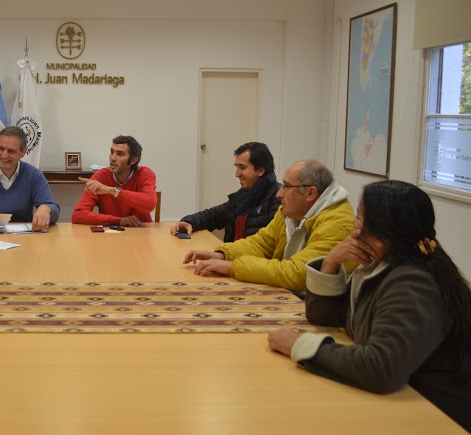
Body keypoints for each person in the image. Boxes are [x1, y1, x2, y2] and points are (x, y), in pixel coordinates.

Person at [267, 181, 471, 431]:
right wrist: (331, 262)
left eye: (360, 218)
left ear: (384, 231)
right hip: (401, 403)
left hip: (432, 414)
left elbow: (382, 368)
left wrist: (299, 345)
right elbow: (325, 315)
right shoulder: (383, 265)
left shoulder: (413, 282)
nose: (354, 227)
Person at [183, 160, 356, 292]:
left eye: (286, 187)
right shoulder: (291, 212)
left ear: (311, 193)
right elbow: (261, 243)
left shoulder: (336, 224)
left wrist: (234, 267)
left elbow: (297, 274)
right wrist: (222, 255)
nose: (279, 194)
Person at [170, 142, 280, 240]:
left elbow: (269, 246)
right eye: (236, 167)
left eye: (242, 168)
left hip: (248, 262)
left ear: (260, 170)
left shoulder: (278, 198)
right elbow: (213, 215)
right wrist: (189, 222)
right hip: (231, 257)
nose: (237, 174)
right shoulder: (242, 196)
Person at [71, 135, 157, 227]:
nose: (112, 158)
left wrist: (112, 191)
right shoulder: (100, 176)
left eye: (119, 154)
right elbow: (78, 215)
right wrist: (118, 221)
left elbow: (150, 204)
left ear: (133, 160)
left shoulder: (145, 174)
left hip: (141, 231)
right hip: (111, 233)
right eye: (112, 152)